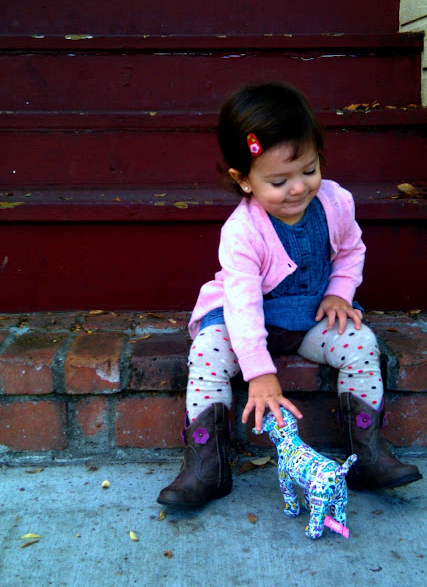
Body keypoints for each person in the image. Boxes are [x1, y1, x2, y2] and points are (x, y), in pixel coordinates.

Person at [157, 82, 422, 508]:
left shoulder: (336, 202)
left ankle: (367, 455)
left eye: (309, 170)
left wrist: (339, 293)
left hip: (310, 317)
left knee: (360, 341)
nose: (298, 188)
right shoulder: (242, 232)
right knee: (207, 353)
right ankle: (207, 465)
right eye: (279, 181)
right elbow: (243, 306)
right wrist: (259, 373)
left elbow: (351, 250)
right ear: (244, 180)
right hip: (242, 321)